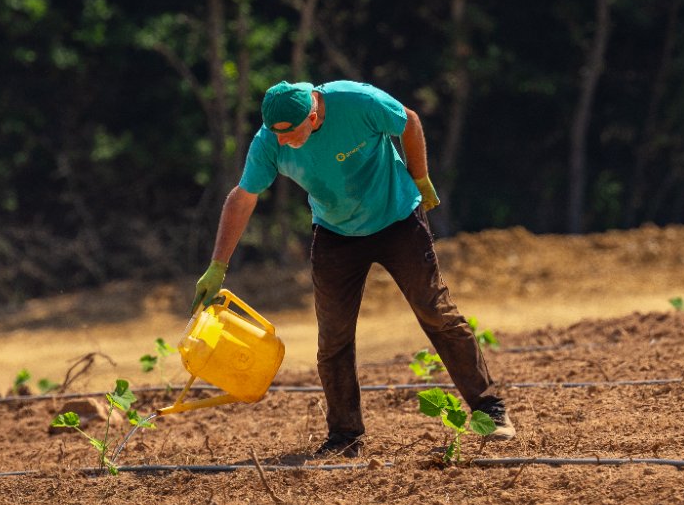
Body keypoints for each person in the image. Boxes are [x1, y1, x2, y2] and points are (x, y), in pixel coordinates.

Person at [192, 79, 512, 457]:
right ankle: (346, 436)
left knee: (435, 311)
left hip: (397, 218)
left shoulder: (357, 102)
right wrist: (218, 265)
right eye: (276, 136)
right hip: (335, 233)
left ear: (313, 117)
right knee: (333, 339)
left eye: (291, 135)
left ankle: (489, 409)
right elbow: (242, 199)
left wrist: (420, 176)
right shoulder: (269, 141)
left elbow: (408, 120)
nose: (281, 143)